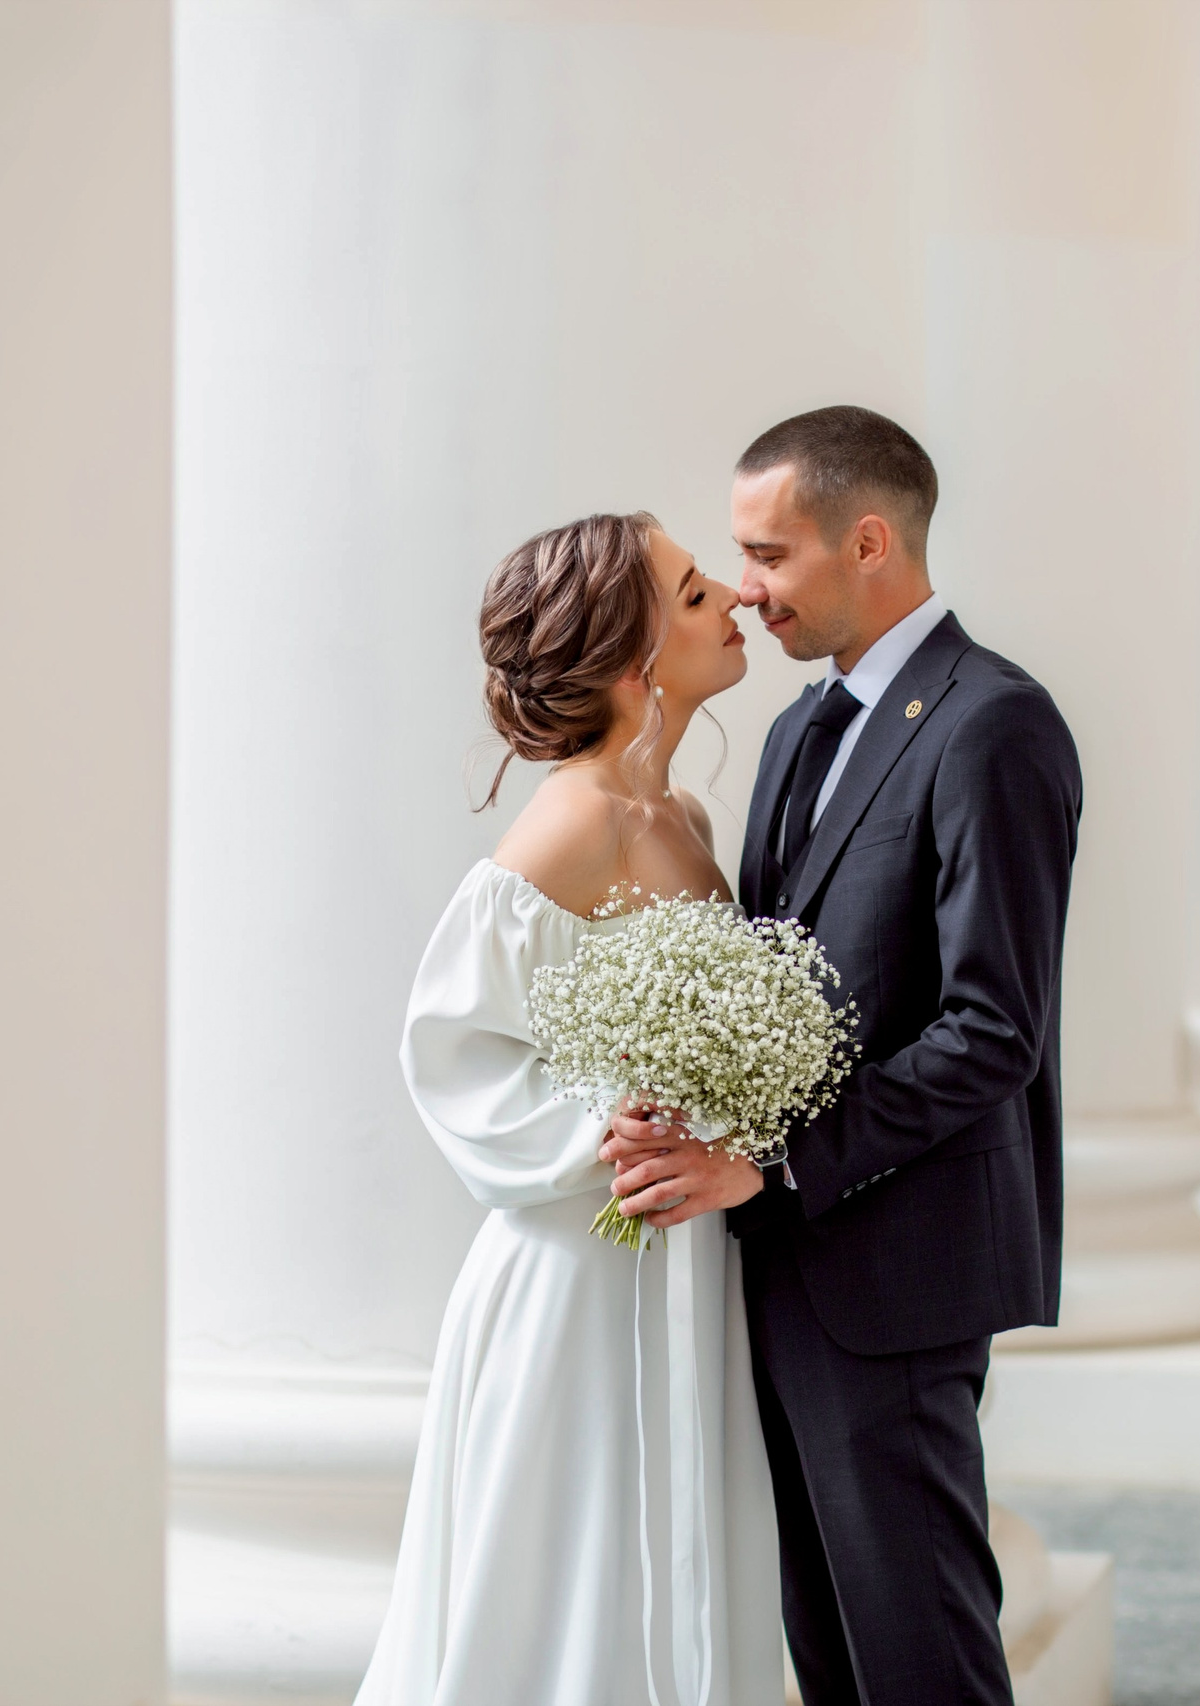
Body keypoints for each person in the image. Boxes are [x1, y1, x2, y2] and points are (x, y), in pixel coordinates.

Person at [603, 406, 1083, 1706]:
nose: (746, 589)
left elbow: (995, 1028)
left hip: (900, 1272)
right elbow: (783, 991)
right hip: (784, 1265)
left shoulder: (995, 724)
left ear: (868, 541)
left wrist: (771, 1162)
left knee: (920, 1658)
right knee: (829, 1658)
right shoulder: (797, 729)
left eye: (768, 556)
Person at [359, 511, 781, 1705]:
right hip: (582, 1276)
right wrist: (603, 1123)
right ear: (633, 658)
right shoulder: (575, 822)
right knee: (571, 1579)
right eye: (693, 593)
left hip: (684, 1249)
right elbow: (448, 1045)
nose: (732, 598)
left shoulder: (680, 816)